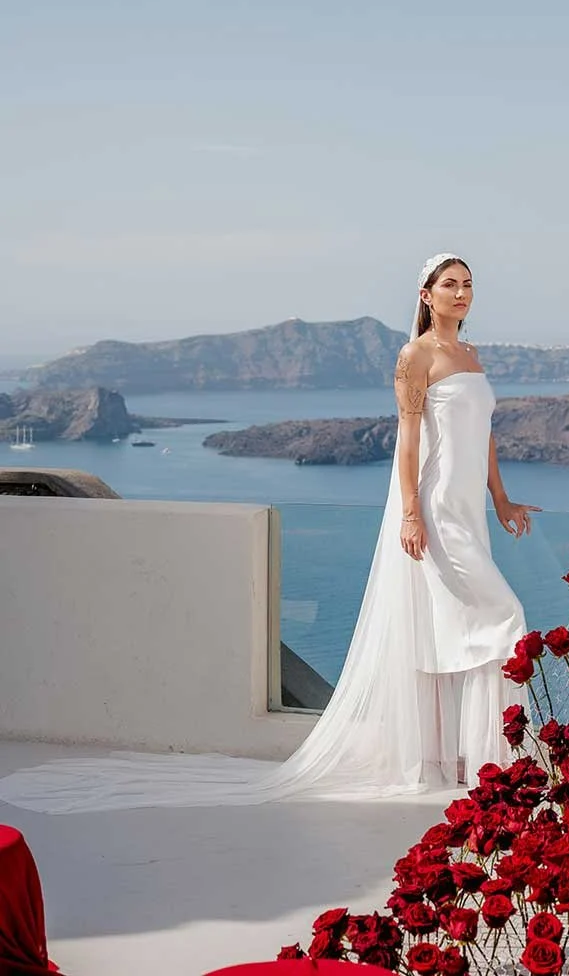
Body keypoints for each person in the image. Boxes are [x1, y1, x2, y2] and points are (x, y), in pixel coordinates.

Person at [0, 253, 537, 813]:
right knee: (501, 619)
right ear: (426, 295)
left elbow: (483, 436)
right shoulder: (415, 356)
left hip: (470, 510)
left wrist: (500, 499)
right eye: (449, 284)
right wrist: (410, 512)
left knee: (454, 628)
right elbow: (407, 439)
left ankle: (461, 761)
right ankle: (483, 764)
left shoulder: (472, 356)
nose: (461, 293)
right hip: (436, 508)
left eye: (468, 284)